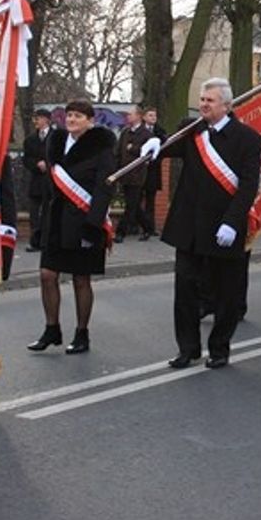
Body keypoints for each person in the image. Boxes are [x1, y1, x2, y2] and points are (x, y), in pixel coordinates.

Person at [162, 78, 261, 370]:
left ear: (227, 106)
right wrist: (154, 142)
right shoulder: (192, 131)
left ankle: (219, 348)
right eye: (202, 99)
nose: (204, 104)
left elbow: (247, 186)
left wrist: (233, 222)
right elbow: (166, 149)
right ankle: (188, 349)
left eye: (210, 100)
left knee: (226, 293)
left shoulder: (248, 138)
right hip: (189, 227)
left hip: (224, 229)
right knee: (185, 291)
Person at [27, 100, 116, 354]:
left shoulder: (101, 149)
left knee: (80, 279)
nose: (72, 120)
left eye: (78, 116)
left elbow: (104, 189)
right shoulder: (55, 144)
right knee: (47, 274)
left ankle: (81, 333)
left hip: (84, 221)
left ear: (90, 120)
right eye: (69, 115)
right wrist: (40, 225)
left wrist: (94, 225)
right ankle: (51, 329)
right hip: (55, 221)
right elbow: (50, 186)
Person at [114, 105, 154, 243]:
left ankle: (120, 232)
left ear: (138, 116)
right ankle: (148, 228)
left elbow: (148, 153)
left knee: (131, 205)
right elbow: (118, 152)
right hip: (125, 174)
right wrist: (117, 170)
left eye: (130, 114)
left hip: (137, 175)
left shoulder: (146, 134)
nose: (127, 116)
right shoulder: (125, 132)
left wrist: (134, 149)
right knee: (135, 205)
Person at [21, 107, 55, 252]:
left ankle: (47, 241)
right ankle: (35, 241)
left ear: (47, 119)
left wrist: (48, 164)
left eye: (39, 118)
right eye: (35, 118)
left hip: (52, 181)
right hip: (36, 180)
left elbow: (60, 156)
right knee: (34, 212)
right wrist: (36, 164)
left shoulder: (56, 137)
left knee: (49, 212)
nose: (36, 121)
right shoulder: (30, 139)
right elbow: (26, 158)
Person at [140, 106, 167, 237]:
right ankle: (136, 226)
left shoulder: (160, 132)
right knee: (136, 199)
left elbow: (165, 147)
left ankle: (151, 228)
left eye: (154, 116)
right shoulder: (139, 131)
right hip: (139, 171)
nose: (153, 118)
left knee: (151, 201)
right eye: (150, 115)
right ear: (144, 117)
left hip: (153, 170)